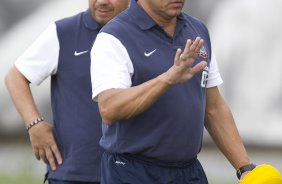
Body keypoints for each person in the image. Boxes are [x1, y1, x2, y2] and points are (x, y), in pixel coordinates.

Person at [90, 0, 255, 183]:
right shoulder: (114, 36)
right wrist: (167, 79)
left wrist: (244, 167)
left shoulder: (197, 30)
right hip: (132, 172)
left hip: (189, 171)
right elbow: (110, 108)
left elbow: (213, 108)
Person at [5, 0, 129, 183]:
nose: (102, 1)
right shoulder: (64, 32)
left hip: (130, 173)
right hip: (72, 174)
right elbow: (15, 77)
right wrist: (35, 124)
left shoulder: (142, 33)